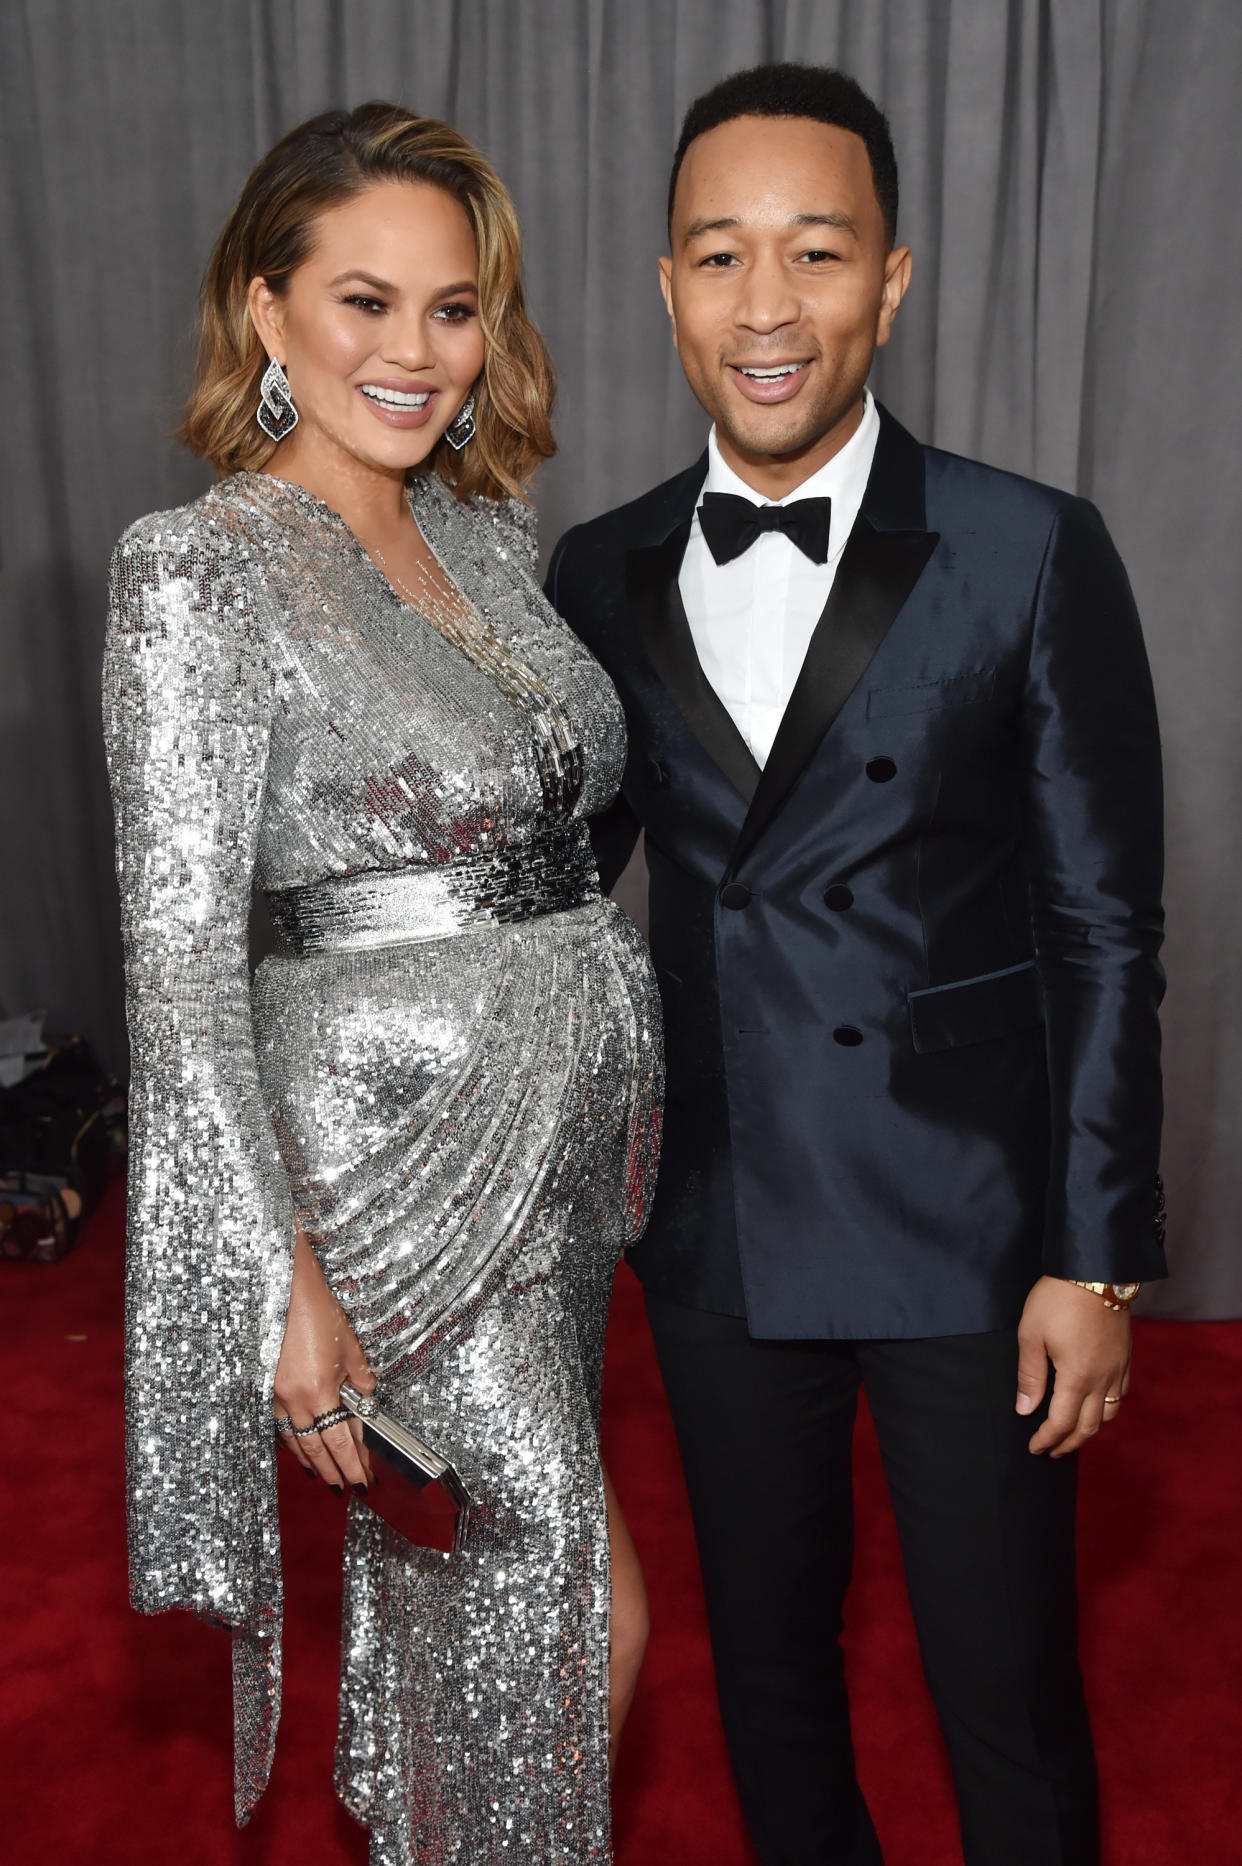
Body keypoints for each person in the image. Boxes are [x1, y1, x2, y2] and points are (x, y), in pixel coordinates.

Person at [546, 62, 1165, 1866]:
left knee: (1004, 1687)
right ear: (662, 284)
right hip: (721, 1226)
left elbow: (1106, 924)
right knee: (768, 1674)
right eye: (718, 256)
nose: (765, 307)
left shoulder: (1030, 544)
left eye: (813, 254)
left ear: (889, 278)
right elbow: (563, 916)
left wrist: (1097, 1259)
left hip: (970, 1228)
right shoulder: (596, 570)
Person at [103, 102, 661, 1866]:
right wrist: (277, 1291)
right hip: (381, 1181)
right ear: (265, 314)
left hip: (549, 1157)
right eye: (362, 301)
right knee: (576, 1609)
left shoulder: (484, 534)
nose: (413, 353)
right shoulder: (196, 574)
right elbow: (182, 977)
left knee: (483, 1623)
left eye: (451, 306)